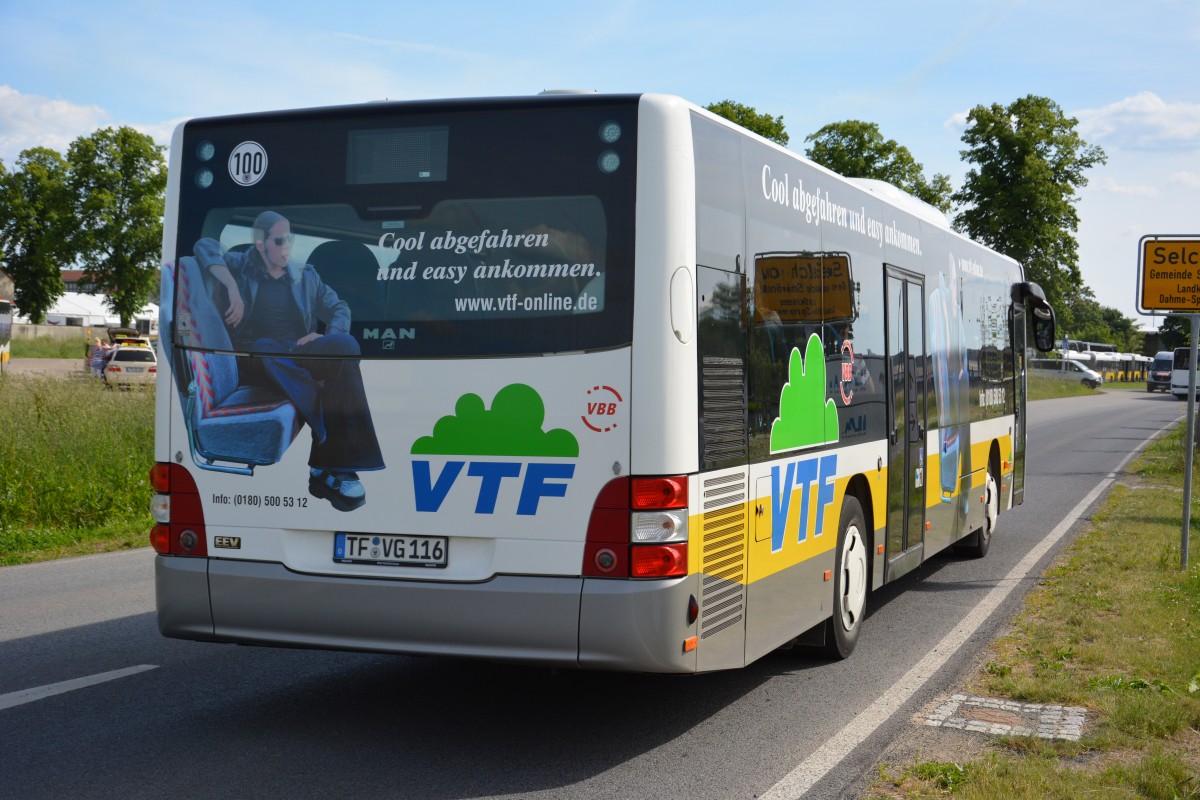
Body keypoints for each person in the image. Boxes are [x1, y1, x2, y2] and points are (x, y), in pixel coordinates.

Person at [193, 210, 384, 511]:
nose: (286, 247)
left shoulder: (307, 276)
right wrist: (230, 285)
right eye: (279, 241)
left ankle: (328, 460)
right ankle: (329, 446)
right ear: (261, 244)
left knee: (345, 345)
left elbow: (340, 309)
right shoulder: (240, 266)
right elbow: (205, 245)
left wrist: (323, 337)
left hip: (298, 353)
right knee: (265, 346)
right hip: (259, 355)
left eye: (289, 239)